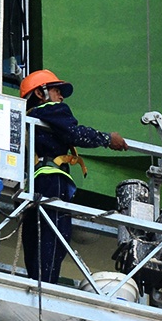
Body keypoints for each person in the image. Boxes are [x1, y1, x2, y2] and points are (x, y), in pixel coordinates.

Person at [19, 69, 127, 285]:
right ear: (41, 94)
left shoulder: (27, 119)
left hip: (34, 185)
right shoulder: (52, 110)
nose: (61, 97)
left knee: (35, 239)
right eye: (56, 91)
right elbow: (75, 134)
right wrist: (107, 139)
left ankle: (37, 284)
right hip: (52, 180)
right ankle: (46, 287)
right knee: (56, 236)